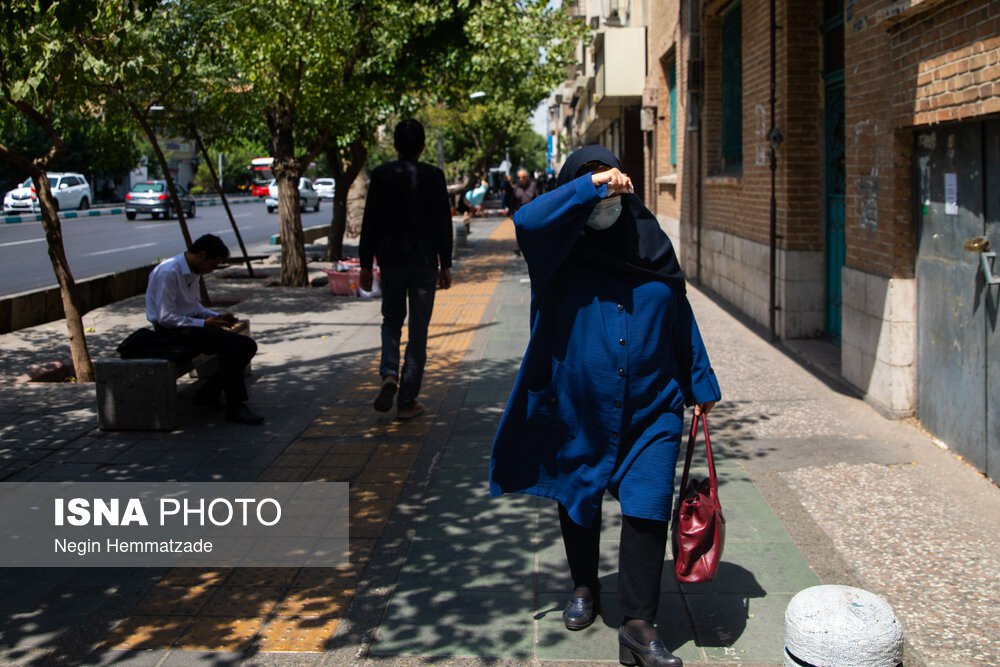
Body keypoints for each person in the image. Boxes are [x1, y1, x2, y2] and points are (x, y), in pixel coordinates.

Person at [489, 145, 721, 667]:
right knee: (580, 493)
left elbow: (678, 310)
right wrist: (589, 188)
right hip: (577, 404)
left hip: (654, 406)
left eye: (612, 184)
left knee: (648, 505)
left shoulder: (649, 242)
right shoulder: (556, 249)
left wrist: (700, 382)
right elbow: (526, 219)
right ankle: (584, 585)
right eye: (592, 184)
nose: (606, 196)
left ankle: (639, 626)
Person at [359, 119, 453, 420]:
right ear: (423, 146)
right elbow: (443, 222)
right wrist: (446, 263)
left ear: (396, 146)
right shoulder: (434, 176)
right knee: (418, 332)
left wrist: (364, 263)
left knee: (391, 320)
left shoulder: (381, 175)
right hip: (424, 263)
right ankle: (407, 401)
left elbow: (370, 221)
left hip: (391, 263)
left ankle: (389, 372)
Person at [145, 234, 263, 425]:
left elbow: (194, 307)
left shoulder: (193, 271)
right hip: (169, 332)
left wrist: (215, 317)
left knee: (247, 345)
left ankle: (208, 393)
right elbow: (165, 318)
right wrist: (204, 324)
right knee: (228, 343)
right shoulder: (169, 272)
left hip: (189, 326)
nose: (211, 270)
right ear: (201, 255)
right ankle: (236, 405)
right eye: (212, 265)